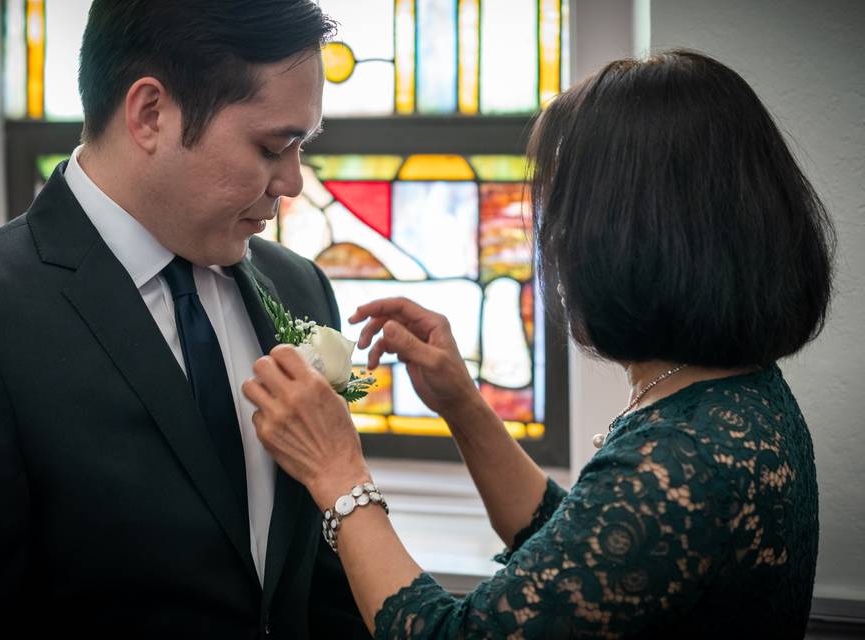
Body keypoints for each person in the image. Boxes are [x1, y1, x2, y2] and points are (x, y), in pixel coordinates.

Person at [243, 50, 834, 638]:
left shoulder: (687, 457)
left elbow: (454, 636)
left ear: (623, 238)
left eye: (559, 210)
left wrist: (338, 471)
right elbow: (574, 546)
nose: (549, 239)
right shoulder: (734, 400)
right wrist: (463, 404)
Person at [0, 1, 369, 636]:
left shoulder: (299, 287)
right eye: (271, 147)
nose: (291, 181)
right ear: (150, 114)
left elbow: (322, 577)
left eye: (300, 147)